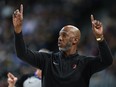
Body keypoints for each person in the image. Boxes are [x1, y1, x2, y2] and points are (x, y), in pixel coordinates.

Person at [12, 4, 113, 87]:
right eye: (59, 35)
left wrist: (100, 37)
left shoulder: (85, 63)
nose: (60, 38)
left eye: (64, 35)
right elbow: (22, 53)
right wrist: (18, 31)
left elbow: (107, 61)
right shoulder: (47, 60)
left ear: (75, 40)